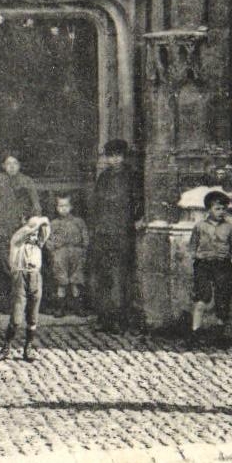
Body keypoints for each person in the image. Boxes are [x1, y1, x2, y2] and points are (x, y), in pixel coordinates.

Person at [91, 139, 136, 330]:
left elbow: (137, 200)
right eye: (111, 156)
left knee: (119, 274)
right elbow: (96, 202)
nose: (114, 160)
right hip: (103, 230)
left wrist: (136, 219)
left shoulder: (131, 176)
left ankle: (119, 318)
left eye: (118, 156)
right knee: (104, 274)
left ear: (124, 157)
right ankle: (105, 317)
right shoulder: (104, 177)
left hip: (121, 230)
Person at [0, 215, 51, 362]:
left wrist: (41, 222)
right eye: (32, 231)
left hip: (35, 277)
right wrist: (35, 223)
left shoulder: (38, 243)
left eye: (36, 233)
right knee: (16, 317)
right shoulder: (17, 240)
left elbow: (46, 227)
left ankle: (28, 348)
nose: (34, 235)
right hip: (20, 277)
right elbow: (28, 229)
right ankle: (6, 347)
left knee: (33, 317)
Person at [189, 189, 232, 340]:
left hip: (222, 265)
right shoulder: (200, 226)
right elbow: (192, 245)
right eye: (217, 208)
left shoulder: (230, 228)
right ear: (208, 209)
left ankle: (220, 331)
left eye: (223, 209)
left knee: (222, 296)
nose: (221, 212)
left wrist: (231, 260)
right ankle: (195, 331)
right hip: (203, 264)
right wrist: (196, 257)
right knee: (202, 295)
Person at [0, 154, 40, 295]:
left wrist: (33, 221)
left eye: (15, 163)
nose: (12, 167)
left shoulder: (26, 181)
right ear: (3, 166)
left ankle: (22, 292)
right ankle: (9, 293)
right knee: (5, 259)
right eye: (8, 163)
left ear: (19, 165)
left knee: (22, 259)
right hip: (2, 226)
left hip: (20, 226)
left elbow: (36, 204)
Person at [46, 193, 89, 315]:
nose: (63, 209)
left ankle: (78, 308)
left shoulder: (78, 222)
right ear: (56, 208)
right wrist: (53, 251)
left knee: (76, 280)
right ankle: (60, 308)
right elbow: (48, 240)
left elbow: (85, 237)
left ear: (71, 207)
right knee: (61, 281)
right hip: (60, 254)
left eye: (66, 206)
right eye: (60, 206)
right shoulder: (53, 224)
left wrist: (83, 249)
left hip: (76, 253)